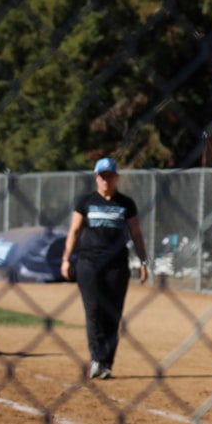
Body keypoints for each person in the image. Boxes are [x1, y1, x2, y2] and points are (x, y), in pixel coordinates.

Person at [61, 157, 149, 379]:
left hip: (117, 266)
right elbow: (74, 231)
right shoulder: (85, 202)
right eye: (102, 176)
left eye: (110, 176)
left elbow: (136, 233)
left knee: (113, 314)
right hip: (89, 264)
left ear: (116, 178)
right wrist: (66, 258)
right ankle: (97, 359)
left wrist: (144, 261)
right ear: (96, 178)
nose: (106, 180)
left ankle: (107, 363)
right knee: (94, 311)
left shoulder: (125, 204)